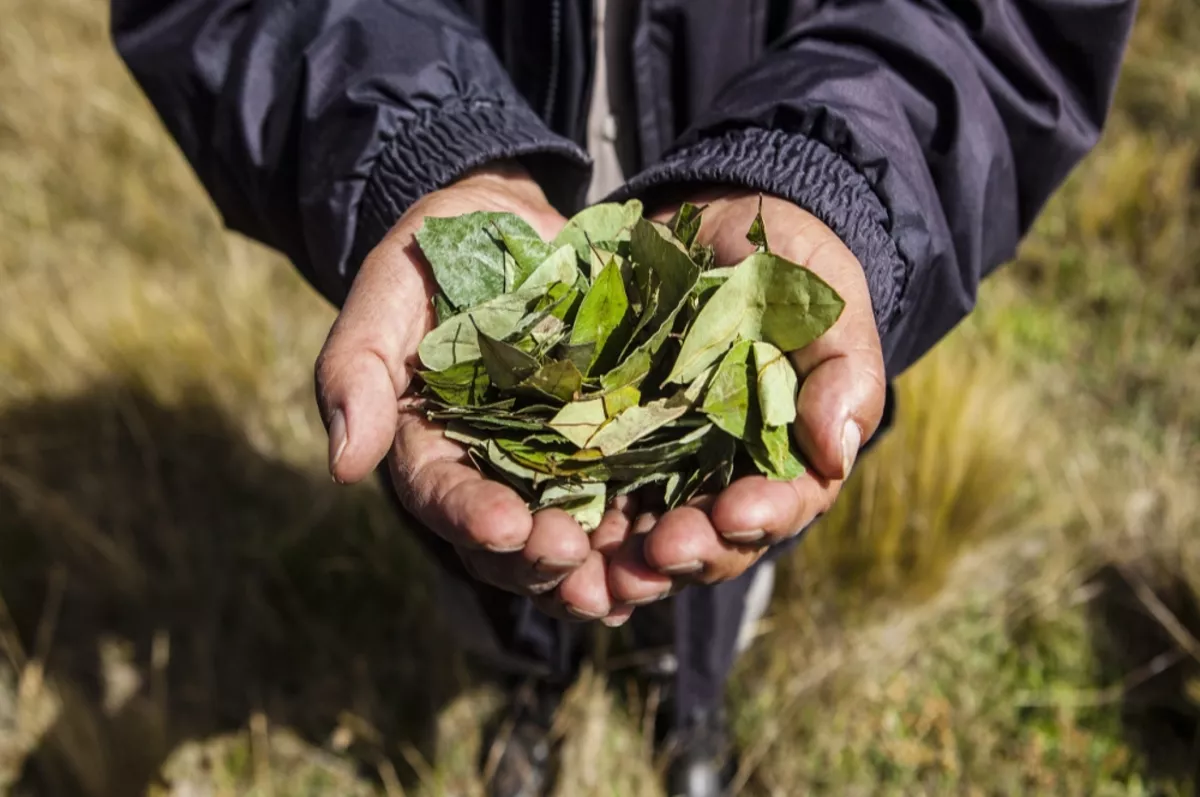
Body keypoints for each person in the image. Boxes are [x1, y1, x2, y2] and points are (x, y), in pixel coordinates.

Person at [110, 1, 1135, 794]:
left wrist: (832, 164)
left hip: (747, 130)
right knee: (507, 548)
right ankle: (528, 689)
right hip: (492, 125)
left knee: (708, 544)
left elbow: (1017, 22)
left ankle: (689, 710)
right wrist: (417, 142)